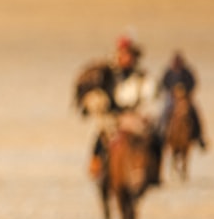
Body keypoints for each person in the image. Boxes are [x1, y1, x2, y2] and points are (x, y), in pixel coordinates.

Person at [80, 35, 163, 185]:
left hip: (135, 115)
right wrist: (97, 103)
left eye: (128, 54)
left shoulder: (142, 77)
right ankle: (97, 167)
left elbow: (151, 97)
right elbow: (96, 96)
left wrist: (144, 114)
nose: (125, 58)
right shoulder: (107, 75)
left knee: (155, 139)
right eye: (122, 54)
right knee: (102, 138)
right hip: (113, 117)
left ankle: (156, 172)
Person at [158, 50, 206, 151]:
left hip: (185, 97)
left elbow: (193, 83)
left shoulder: (187, 72)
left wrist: (186, 92)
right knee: (164, 112)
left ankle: (199, 136)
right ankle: (161, 135)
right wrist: (172, 92)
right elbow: (163, 84)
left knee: (194, 112)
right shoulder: (169, 72)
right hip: (172, 98)